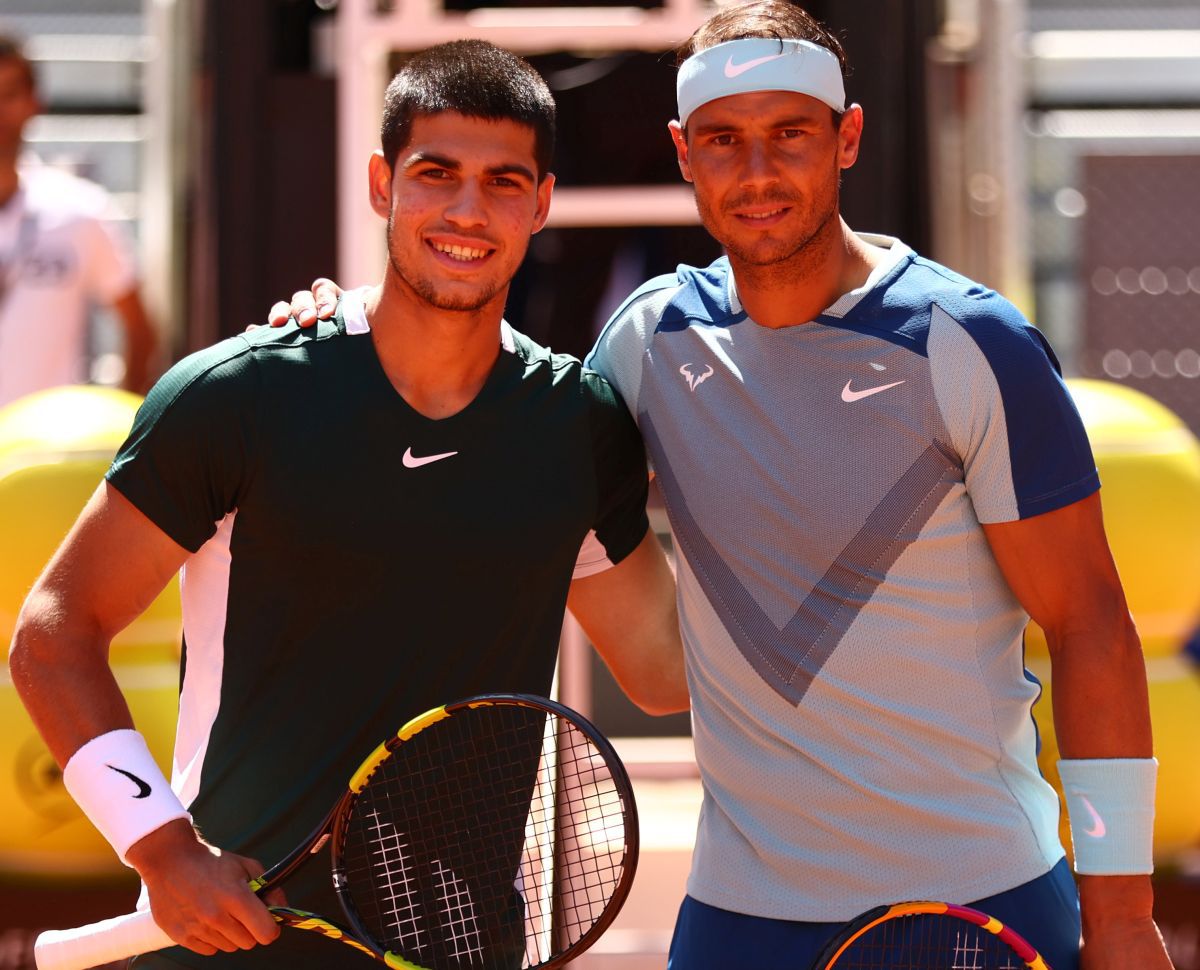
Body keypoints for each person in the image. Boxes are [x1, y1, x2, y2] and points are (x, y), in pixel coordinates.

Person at [276, 4, 1174, 968]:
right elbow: (499, 422)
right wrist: (354, 320)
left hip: (974, 902)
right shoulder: (647, 343)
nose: (756, 173)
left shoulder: (971, 343)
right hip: (736, 920)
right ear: (682, 152)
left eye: (789, 134)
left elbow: (1092, 624)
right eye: (723, 140)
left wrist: (1121, 919)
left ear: (848, 138)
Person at [8, 40, 685, 969]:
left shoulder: (576, 426)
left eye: (502, 182)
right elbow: (51, 631)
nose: (466, 210)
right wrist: (162, 849)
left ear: (541, 203)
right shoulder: (238, 395)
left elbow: (665, 674)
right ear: (381, 183)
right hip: (227, 943)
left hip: (459, 944)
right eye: (435, 174)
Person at [0, 31, 157, 406]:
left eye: (8, 95)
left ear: (35, 102)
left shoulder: (81, 209)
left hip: (43, 458)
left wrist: (121, 437)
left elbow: (141, 331)